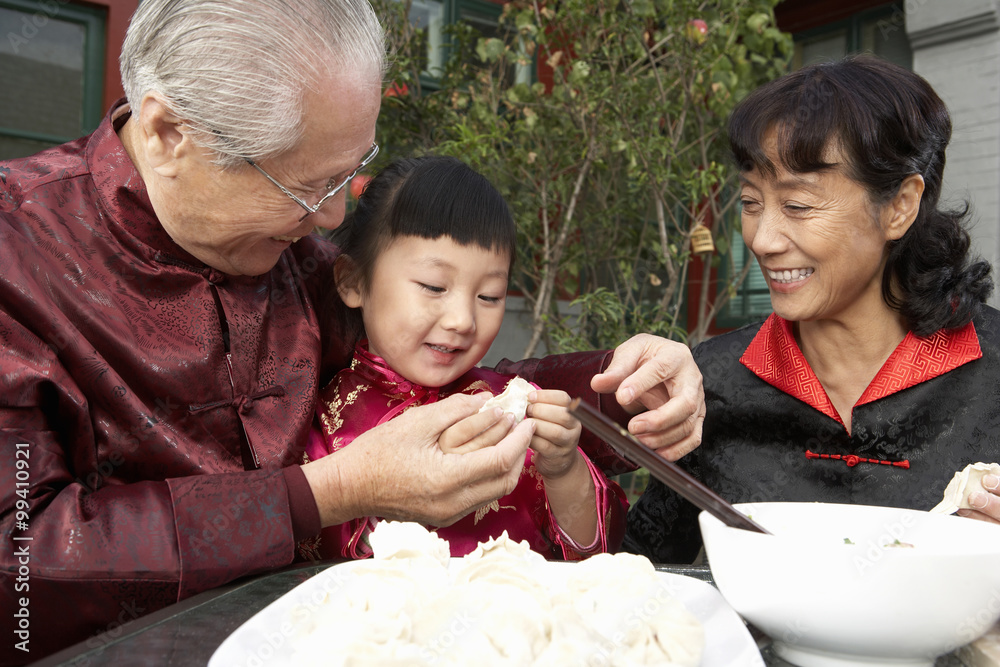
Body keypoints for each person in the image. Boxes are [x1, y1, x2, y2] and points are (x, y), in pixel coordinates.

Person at [0, 0, 705, 662]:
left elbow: (436, 374)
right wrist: (327, 493)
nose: (334, 219)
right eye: (305, 187)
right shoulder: (17, 256)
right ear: (166, 134)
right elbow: (20, 575)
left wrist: (618, 387)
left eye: (350, 172)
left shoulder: (296, 258)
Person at [625, 53, 1000, 564]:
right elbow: (642, 569)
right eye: (752, 202)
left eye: (797, 205)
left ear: (899, 206)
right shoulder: (712, 383)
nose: (763, 238)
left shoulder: (991, 373)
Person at [300, 155, 628, 561]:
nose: (462, 320)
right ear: (353, 281)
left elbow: (595, 559)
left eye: (489, 296)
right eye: (434, 286)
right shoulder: (318, 420)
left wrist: (563, 470)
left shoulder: (516, 413)